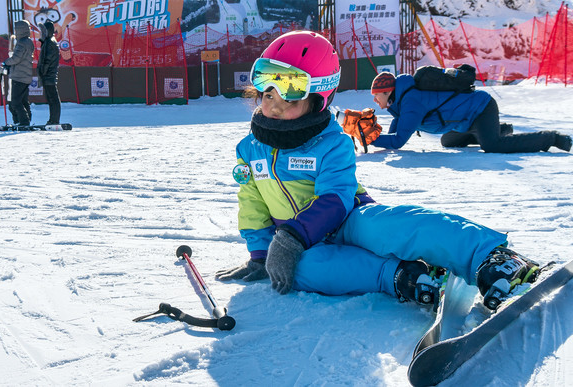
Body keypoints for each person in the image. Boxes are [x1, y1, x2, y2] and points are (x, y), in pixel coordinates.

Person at [215, 31, 540, 310]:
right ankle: (404, 276)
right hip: (302, 243)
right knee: (302, 271)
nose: (273, 104)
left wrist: (290, 237)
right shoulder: (250, 149)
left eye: (290, 95)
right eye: (267, 89)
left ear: (318, 98)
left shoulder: (332, 143)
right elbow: (252, 202)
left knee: (388, 228)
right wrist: (260, 253)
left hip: (348, 217)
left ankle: (491, 257)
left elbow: (335, 199)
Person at [369, 71, 572, 153]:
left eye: (376, 96)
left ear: (388, 92)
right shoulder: (404, 101)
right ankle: (500, 129)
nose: (375, 101)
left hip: (481, 108)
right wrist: (371, 134)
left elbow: (397, 141)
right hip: (468, 121)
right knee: (448, 141)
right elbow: (395, 130)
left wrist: (369, 138)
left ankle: (551, 139)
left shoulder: (411, 102)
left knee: (492, 146)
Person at [1, 20, 34, 126]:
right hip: (25, 76)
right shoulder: (28, 42)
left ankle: (23, 122)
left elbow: (16, 59)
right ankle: (25, 120)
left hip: (19, 77)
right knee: (23, 100)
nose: (15, 31)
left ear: (20, 30)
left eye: (16, 29)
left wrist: (5, 62)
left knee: (15, 101)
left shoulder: (21, 43)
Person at [37, 20, 61, 125]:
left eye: (44, 31)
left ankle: (54, 120)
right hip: (48, 75)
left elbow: (47, 60)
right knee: (51, 99)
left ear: (48, 31)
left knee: (53, 99)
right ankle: (52, 119)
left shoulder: (50, 42)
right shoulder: (48, 41)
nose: (42, 33)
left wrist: (42, 72)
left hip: (49, 75)